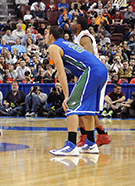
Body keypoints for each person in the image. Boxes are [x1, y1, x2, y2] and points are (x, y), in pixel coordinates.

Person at [47, 26, 108, 156]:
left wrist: (66, 95)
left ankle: (71, 145)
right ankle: (91, 143)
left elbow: (61, 72)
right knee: (88, 110)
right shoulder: (67, 44)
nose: (45, 37)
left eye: (46, 34)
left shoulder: (53, 47)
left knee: (71, 106)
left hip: (91, 71)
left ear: (51, 36)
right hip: (101, 70)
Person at [71, 16, 111, 147]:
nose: (71, 23)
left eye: (73, 21)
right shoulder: (79, 37)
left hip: (93, 73)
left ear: (78, 26)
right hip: (88, 74)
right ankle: (101, 134)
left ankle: (86, 137)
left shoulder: (84, 37)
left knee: (82, 107)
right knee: (85, 108)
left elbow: (87, 56)